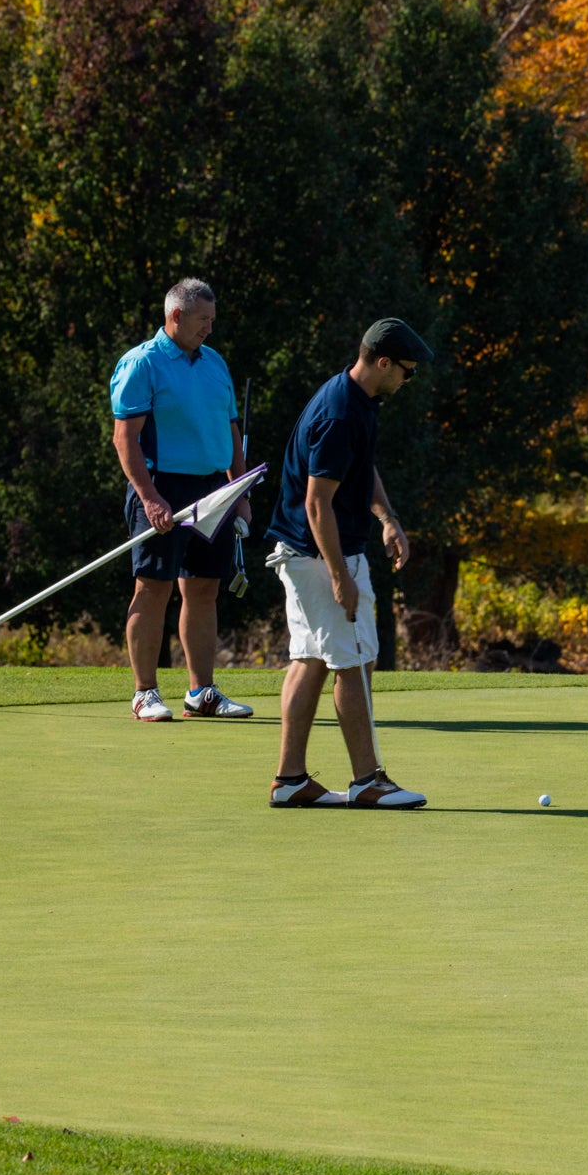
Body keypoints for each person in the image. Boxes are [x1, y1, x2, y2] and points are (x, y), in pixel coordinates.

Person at [263, 318, 434, 809]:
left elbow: (361, 468)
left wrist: (387, 518)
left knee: (311, 661)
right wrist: (340, 576)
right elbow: (318, 503)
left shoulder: (358, 401)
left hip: (307, 553)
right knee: (355, 663)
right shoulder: (340, 413)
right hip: (322, 554)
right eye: (407, 371)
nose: (408, 380)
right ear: (383, 362)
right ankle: (367, 781)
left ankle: (290, 779)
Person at [109, 278, 254, 723]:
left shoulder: (214, 363)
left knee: (205, 588)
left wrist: (239, 489)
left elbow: (230, 430)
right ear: (176, 316)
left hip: (213, 489)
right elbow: (125, 439)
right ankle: (144, 692)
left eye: (212, 320)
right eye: (202, 320)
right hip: (162, 487)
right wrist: (149, 497)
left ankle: (201, 691)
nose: (209, 329)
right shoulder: (142, 363)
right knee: (153, 588)